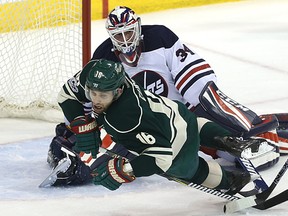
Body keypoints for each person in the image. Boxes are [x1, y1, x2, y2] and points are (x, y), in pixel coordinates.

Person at [54, 58, 255, 193]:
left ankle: (233, 181)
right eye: (92, 93)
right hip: (174, 112)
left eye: (103, 95)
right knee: (190, 123)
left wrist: (124, 169)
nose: (96, 100)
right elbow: (66, 95)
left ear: (117, 92)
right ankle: (231, 141)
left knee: (187, 170)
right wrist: (82, 123)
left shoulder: (125, 119)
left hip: (174, 143)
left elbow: (162, 159)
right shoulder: (95, 72)